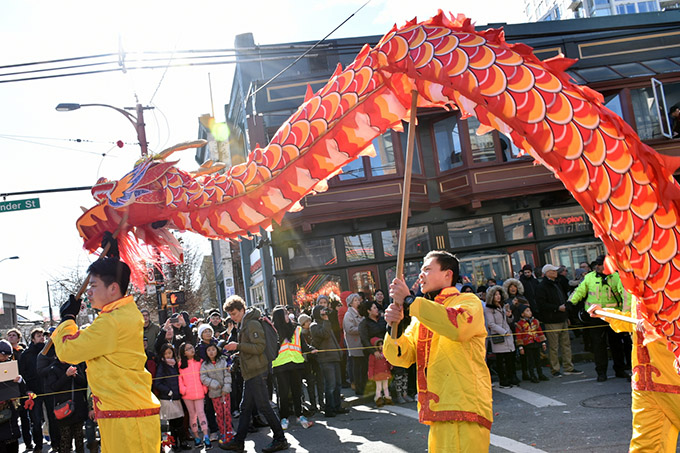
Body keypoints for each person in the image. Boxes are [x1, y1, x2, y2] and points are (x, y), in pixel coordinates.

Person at [385, 250, 493, 452]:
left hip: (465, 403)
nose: (420, 275)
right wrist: (394, 327)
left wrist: (409, 301)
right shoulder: (422, 314)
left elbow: (456, 326)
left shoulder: (468, 301)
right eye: (420, 270)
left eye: (427, 269)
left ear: (448, 274)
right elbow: (401, 357)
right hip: (437, 409)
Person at [52, 257, 160, 453]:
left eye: (93, 285)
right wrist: (115, 256)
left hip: (126, 417)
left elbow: (69, 351)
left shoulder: (112, 321)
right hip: (126, 413)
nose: (88, 292)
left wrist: (67, 319)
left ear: (113, 288)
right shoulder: (125, 312)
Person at [588, 299, 680, 452]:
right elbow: (637, 322)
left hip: (672, 379)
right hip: (645, 381)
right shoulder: (638, 286)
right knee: (646, 445)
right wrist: (608, 315)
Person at [220, 296, 289, 453]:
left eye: (235, 313)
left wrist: (238, 346)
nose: (232, 317)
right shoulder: (245, 323)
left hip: (257, 371)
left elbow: (259, 347)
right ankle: (239, 442)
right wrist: (238, 353)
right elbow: (251, 349)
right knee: (245, 407)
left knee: (263, 406)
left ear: (242, 310)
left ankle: (280, 439)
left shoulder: (251, 323)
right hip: (251, 371)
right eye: (230, 314)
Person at [570, 255, 628, 382]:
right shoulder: (589, 277)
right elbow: (579, 291)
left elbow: (624, 293)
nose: (598, 266)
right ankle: (601, 372)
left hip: (613, 316)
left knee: (616, 345)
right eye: (597, 264)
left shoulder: (616, 277)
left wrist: (626, 312)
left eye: (600, 264)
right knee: (598, 346)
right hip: (595, 317)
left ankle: (620, 369)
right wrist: (570, 302)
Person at [536, 263, 582, 377]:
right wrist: (557, 308)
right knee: (554, 346)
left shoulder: (557, 283)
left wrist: (567, 316)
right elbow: (541, 304)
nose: (556, 272)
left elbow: (564, 299)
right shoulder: (542, 287)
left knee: (566, 344)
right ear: (547, 273)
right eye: (553, 271)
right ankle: (555, 369)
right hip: (551, 320)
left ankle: (568, 367)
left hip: (562, 318)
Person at [270, 306, 313, 430]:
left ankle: (300, 415)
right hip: (280, 366)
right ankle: (284, 417)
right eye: (284, 314)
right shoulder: (274, 331)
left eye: (287, 313)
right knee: (283, 394)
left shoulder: (296, 328)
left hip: (296, 364)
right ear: (279, 317)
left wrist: (311, 349)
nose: (288, 315)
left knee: (297, 392)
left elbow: (303, 345)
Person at [310, 306, 348, 419]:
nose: (324, 312)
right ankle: (329, 408)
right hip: (326, 359)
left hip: (334, 357)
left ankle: (337, 406)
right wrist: (326, 320)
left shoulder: (327, 323)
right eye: (321, 310)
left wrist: (339, 352)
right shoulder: (314, 326)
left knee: (337, 384)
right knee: (330, 385)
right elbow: (325, 334)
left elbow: (332, 338)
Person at [44, 360, 88, 453]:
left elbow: (84, 383)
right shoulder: (53, 368)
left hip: (78, 406)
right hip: (63, 408)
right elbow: (53, 387)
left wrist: (76, 376)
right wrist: (66, 376)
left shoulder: (75, 365)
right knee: (65, 440)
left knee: (79, 439)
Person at [484, 285, 519, 388]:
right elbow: (491, 324)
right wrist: (503, 332)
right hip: (499, 336)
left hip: (507, 334)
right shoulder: (488, 309)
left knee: (510, 358)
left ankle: (512, 377)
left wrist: (509, 316)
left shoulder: (503, 306)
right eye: (495, 295)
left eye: (499, 294)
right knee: (500, 359)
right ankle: (503, 380)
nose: (498, 296)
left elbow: (508, 321)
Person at [154, 344, 186, 452]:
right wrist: (168, 391)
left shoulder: (176, 364)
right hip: (168, 398)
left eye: (170, 352)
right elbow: (157, 382)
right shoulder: (162, 366)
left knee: (180, 421)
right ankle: (173, 444)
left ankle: (181, 442)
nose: (168, 355)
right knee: (172, 423)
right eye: (166, 353)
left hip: (177, 396)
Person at [178, 343, 210, 448]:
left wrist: (204, 388)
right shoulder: (180, 364)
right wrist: (183, 390)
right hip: (187, 395)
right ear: (183, 352)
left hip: (199, 392)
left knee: (201, 413)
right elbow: (179, 379)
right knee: (192, 415)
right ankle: (196, 437)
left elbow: (204, 375)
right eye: (187, 349)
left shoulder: (199, 362)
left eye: (191, 347)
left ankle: (206, 436)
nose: (191, 350)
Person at [18, 328, 44, 453]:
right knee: (36, 420)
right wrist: (27, 390)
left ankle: (56, 443)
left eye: (43, 336)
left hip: (50, 389)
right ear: (33, 339)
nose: (42, 338)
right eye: (38, 336)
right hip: (33, 391)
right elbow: (22, 373)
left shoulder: (48, 351)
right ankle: (38, 445)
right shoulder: (26, 354)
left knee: (53, 417)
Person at [200, 343, 233, 443]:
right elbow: (203, 378)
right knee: (219, 413)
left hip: (225, 391)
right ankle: (222, 432)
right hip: (214, 393)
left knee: (227, 412)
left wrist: (226, 388)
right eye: (209, 350)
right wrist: (214, 384)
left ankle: (229, 432)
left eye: (213, 349)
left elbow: (227, 375)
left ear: (217, 350)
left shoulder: (223, 361)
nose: (211, 352)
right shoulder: (205, 365)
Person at [298, 314, 324, 415]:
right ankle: (313, 405)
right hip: (307, 362)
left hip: (316, 360)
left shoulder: (312, 332)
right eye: (307, 321)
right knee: (310, 383)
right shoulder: (301, 334)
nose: (309, 323)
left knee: (320, 382)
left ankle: (322, 403)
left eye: (309, 321)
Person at [515, 305, 548, 383]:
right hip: (527, 344)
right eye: (527, 311)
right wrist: (520, 346)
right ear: (522, 314)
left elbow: (540, 331)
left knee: (538, 360)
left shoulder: (535, 321)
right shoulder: (519, 324)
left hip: (536, 342)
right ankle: (532, 375)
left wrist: (543, 342)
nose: (529, 312)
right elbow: (518, 336)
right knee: (530, 361)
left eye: (529, 310)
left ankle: (540, 374)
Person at [0, 339, 23, 453]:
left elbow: (22, 388)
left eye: (8, 356)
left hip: (11, 410)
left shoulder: (10, 365)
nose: (5, 358)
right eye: (3, 355)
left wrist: (19, 380)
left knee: (13, 443)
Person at [343, 293, 367, 396]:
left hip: (363, 343)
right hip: (355, 343)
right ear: (350, 303)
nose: (358, 302)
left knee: (364, 367)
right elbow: (350, 329)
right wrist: (363, 330)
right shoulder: (348, 314)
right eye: (356, 300)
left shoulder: (361, 312)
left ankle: (364, 386)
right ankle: (358, 388)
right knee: (357, 367)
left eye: (358, 300)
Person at [367, 337, 392, 407]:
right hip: (378, 374)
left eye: (382, 345)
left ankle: (387, 397)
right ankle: (378, 398)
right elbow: (371, 366)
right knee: (379, 387)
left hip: (385, 373)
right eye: (379, 345)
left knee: (386, 387)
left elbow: (388, 361)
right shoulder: (373, 356)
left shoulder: (385, 353)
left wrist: (390, 366)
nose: (381, 347)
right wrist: (370, 375)